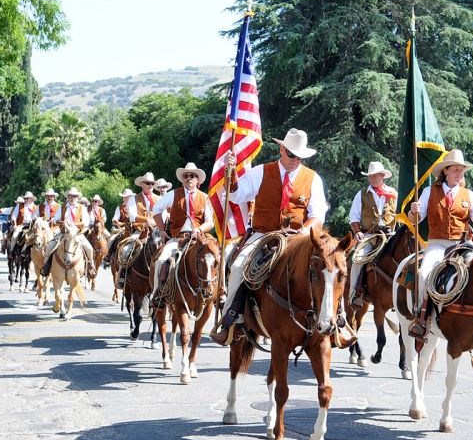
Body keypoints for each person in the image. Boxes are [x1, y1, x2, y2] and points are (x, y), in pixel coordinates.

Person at [211, 128, 327, 345]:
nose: (295, 160)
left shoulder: (313, 178)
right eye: (291, 154)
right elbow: (236, 194)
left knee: (328, 268)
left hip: (297, 237)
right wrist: (231, 171)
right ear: (282, 149)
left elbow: (317, 214)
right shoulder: (260, 172)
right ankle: (230, 321)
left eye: (300, 157)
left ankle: (336, 321)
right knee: (237, 268)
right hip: (263, 235)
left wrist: (305, 230)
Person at [408, 149, 473, 338]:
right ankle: (420, 316)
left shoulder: (468, 195)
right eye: (455, 169)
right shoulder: (429, 191)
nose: (459, 173)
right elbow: (416, 218)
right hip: (437, 245)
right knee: (424, 275)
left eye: (462, 170)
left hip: (463, 244)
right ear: (445, 171)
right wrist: (413, 211)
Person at [151, 163, 214, 307]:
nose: (189, 178)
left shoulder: (204, 197)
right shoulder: (173, 194)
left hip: (198, 238)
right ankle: (158, 293)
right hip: (177, 238)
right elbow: (156, 209)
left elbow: (210, 222)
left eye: (192, 176)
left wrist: (199, 229)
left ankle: (220, 291)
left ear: (197, 180)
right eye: (186, 176)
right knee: (161, 260)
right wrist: (161, 230)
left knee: (215, 257)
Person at [348, 161, 397, 307]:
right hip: (370, 235)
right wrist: (357, 232)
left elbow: (402, 215)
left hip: (390, 235)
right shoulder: (362, 194)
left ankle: (406, 294)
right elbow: (354, 217)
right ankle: (354, 294)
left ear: (382, 176)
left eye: (375, 176)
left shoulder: (394, 194)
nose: (372, 178)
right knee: (358, 259)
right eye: (370, 176)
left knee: (405, 259)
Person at [115, 172, 160, 289]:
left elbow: (164, 214)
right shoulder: (134, 199)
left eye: (151, 183)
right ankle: (122, 274)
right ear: (142, 184)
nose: (150, 185)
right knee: (125, 249)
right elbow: (132, 216)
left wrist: (156, 221)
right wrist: (147, 220)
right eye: (147, 183)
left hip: (157, 232)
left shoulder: (159, 198)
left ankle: (169, 277)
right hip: (140, 232)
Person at [40, 187, 96, 278]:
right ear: (68, 197)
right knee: (50, 246)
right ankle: (46, 265)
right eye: (70, 196)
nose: (72, 198)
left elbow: (86, 222)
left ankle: (91, 267)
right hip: (64, 233)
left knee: (89, 248)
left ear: (77, 197)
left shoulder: (82, 208)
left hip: (77, 234)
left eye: (74, 196)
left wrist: (74, 224)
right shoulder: (62, 207)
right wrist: (64, 222)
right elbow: (55, 220)